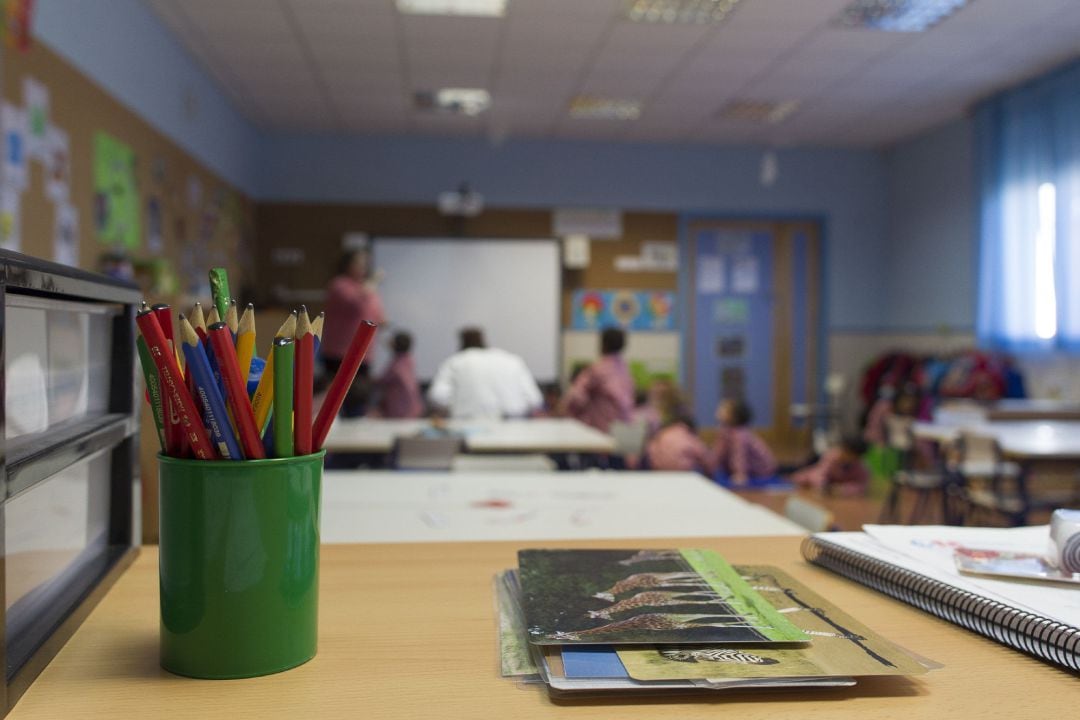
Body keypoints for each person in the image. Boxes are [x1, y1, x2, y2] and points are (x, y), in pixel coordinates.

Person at [321, 249, 386, 416]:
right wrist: (374, 282)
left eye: (365, 263)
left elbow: (379, 315)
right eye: (359, 262)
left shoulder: (369, 291)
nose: (363, 266)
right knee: (335, 398)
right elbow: (356, 302)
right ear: (347, 264)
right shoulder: (340, 285)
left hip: (363, 354)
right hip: (339, 353)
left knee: (358, 398)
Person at [427, 327, 543, 420]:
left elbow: (437, 397)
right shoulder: (512, 360)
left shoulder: (454, 362)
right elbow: (534, 400)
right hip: (514, 431)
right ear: (484, 340)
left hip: (468, 428)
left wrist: (459, 405)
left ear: (461, 343)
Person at [561, 327, 635, 432]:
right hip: (625, 431)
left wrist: (570, 415)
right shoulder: (626, 371)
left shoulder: (597, 370)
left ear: (603, 344)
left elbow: (575, 397)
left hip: (602, 432)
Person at [710, 399, 778, 486]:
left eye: (724, 408)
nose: (719, 409)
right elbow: (718, 453)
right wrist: (710, 467)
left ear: (734, 415)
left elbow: (739, 455)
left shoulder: (740, 434)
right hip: (742, 468)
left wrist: (740, 474)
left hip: (760, 470)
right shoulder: (725, 432)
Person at [791, 437, 870, 497]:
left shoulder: (861, 467)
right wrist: (825, 486)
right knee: (800, 478)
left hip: (836, 489)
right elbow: (820, 473)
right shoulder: (832, 456)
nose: (844, 454)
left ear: (856, 456)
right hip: (820, 483)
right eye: (843, 450)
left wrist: (842, 489)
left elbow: (861, 486)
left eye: (848, 453)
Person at [374, 331, 423, 419]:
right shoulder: (409, 360)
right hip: (412, 407)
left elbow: (382, 380)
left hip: (400, 408)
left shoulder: (397, 364)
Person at [645, 415, 710, 473]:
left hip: (657, 475)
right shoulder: (687, 437)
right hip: (680, 477)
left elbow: (649, 452)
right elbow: (708, 463)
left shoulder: (661, 435)